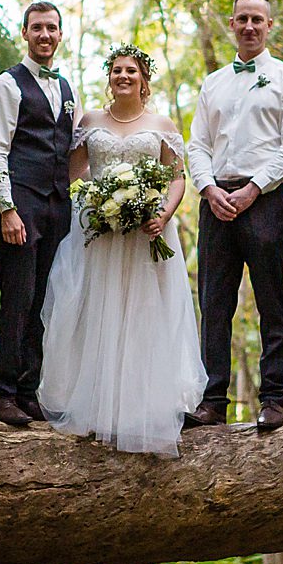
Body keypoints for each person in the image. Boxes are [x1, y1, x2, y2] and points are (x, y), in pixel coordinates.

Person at [39, 46, 204, 456]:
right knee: (94, 311)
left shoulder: (161, 123)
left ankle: (140, 413)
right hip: (99, 234)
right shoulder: (90, 121)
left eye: (131, 70)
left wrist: (162, 214)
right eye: (116, 70)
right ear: (108, 76)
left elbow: (177, 179)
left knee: (144, 314)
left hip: (147, 234)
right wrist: (95, 198)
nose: (123, 76)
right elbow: (72, 171)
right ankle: (95, 408)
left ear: (144, 79)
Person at [185, 0, 283, 432]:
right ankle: (212, 400)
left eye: (258, 19)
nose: (250, 26)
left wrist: (255, 189)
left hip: (264, 202)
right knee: (214, 302)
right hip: (215, 203)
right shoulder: (214, 82)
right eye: (243, 19)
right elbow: (197, 143)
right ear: (232, 25)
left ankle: (273, 398)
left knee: (270, 299)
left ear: (269, 25)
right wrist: (207, 187)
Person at [0, 1, 75, 427]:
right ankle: (0, 395)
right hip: (20, 206)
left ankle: (27, 391)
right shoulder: (7, 84)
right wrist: (6, 209)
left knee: (42, 303)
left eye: (51, 28)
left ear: (60, 35)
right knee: (16, 301)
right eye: (37, 28)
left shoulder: (67, 89)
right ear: (24, 33)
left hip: (57, 207)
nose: (44, 35)